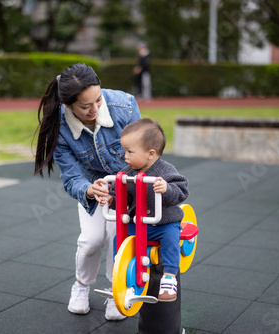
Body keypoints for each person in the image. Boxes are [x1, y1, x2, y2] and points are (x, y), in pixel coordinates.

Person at [34, 63, 142, 320]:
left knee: (120, 239)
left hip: (127, 185)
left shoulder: (125, 106)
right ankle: (81, 285)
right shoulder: (58, 126)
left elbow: (143, 154)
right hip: (93, 187)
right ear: (68, 105)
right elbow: (71, 177)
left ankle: (115, 289)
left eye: (99, 99)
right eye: (85, 106)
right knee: (92, 240)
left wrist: (127, 186)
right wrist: (90, 190)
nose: (95, 109)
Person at [98, 118, 189, 302]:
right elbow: (123, 197)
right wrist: (111, 199)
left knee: (171, 238)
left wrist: (167, 189)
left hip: (163, 224)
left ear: (151, 153)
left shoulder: (165, 171)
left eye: (130, 152)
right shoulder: (128, 173)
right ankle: (121, 275)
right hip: (138, 224)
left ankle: (169, 277)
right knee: (119, 240)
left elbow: (182, 191)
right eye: (125, 151)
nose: (126, 156)